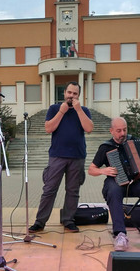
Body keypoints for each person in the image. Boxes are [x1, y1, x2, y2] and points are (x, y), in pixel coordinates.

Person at [88, 117, 140, 251]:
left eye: (124, 130)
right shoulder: (106, 147)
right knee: (113, 191)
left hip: (135, 182)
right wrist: (103, 170)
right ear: (111, 131)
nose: (122, 133)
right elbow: (91, 170)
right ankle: (120, 234)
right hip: (115, 182)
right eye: (118, 131)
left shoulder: (134, 141)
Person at [28, 81, 93, 233]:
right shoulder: (54, 108)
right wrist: (62, 112)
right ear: (64, 93)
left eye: (75, 93)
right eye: (69, 93)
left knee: (73, 190)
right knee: (49, 189)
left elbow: (89, 128)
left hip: (77, 156)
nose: (71, 96)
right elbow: (48, 128)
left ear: (79, 95)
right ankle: (40, 222)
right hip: (57, 156)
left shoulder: (83, 110)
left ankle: (68, 220)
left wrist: (78, 111)